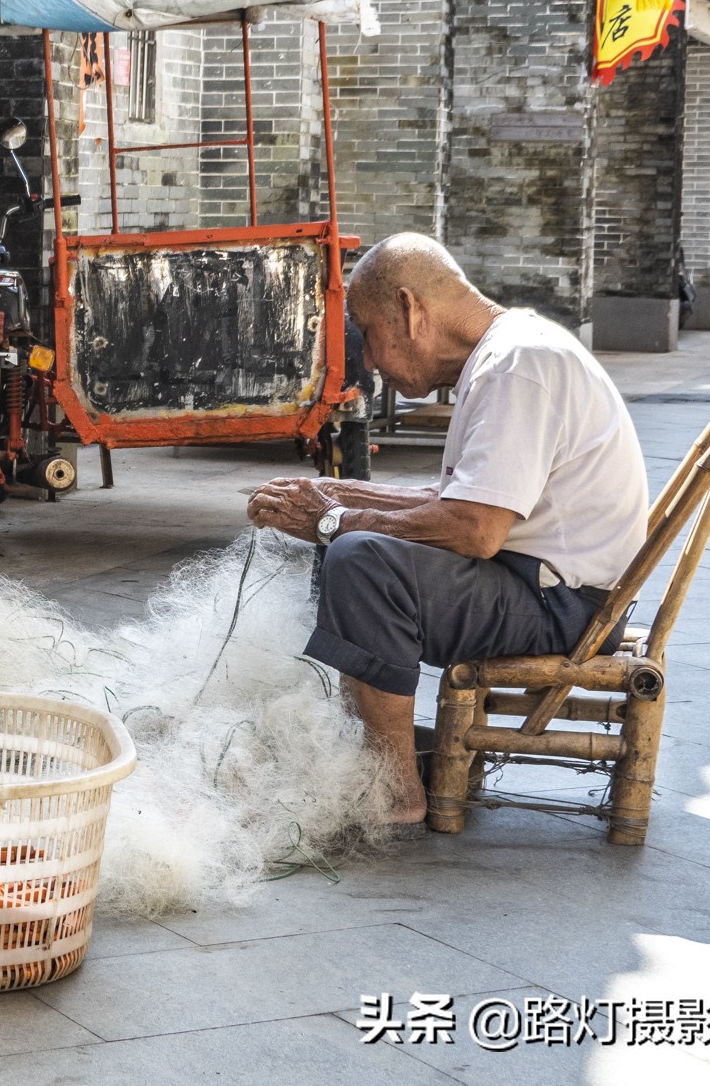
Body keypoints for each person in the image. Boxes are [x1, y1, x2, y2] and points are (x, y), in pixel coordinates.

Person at [246, 234, 647, 827]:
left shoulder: (519, 365)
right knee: (350, 545)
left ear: (410, 311)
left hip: (564, 606)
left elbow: (474, 530)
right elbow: (451, 500)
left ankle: (396, 789)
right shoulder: (508, 352)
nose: (373, 361)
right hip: (542, 586)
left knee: (359, 561)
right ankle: (378, 739)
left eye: (369, 333)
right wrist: (330, 495)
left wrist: (332, 520)